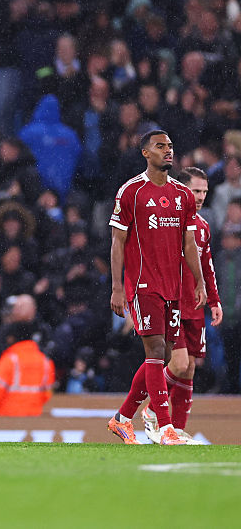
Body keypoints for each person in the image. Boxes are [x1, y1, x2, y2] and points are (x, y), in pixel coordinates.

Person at [107, 130, 205, 445]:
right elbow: (117, 242)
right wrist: (118, 288)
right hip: (142, 283)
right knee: (157, 351)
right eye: (160, 146)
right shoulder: (131, 191)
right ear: (145, 153)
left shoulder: (183, 195)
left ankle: (122, 419)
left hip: (173, 287)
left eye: (170, 146)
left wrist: (199, 280)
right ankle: (165, 429)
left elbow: (189, 243)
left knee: (159, 358)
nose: (168, 151)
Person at [140, 167, 222, 443]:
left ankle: (175, 429)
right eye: (195, 190)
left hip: (194, 305)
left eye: (203, 192)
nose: (199, 197)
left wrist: (214, 300)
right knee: (180, 363)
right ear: (182, 190)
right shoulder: (168, 222)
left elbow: (208, 267)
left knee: (189, 368)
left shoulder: (203, 227)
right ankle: (153, 411)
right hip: (172, 302)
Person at [0, 322, 55, 416]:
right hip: (34, 418)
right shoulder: (45, 362)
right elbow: (47, 394)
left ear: (11, 338)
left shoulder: (9, 360)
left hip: (7, 418)